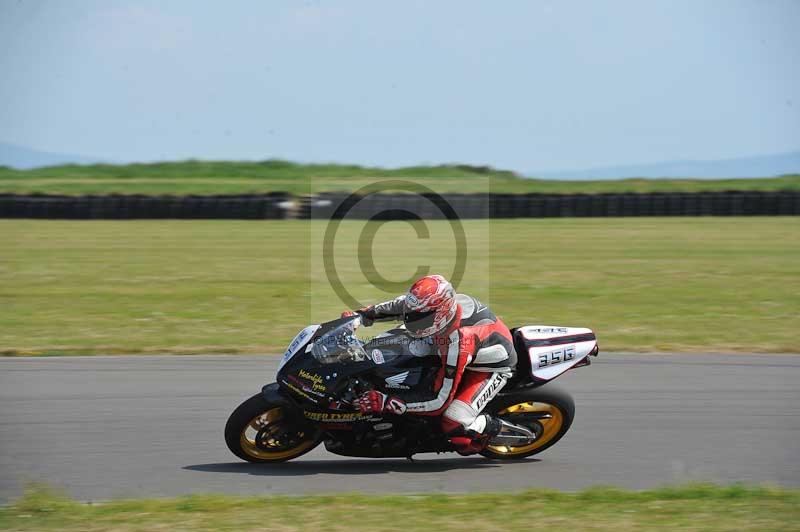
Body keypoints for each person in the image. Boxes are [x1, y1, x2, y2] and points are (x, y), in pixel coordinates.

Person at [342, 274, 517, 455]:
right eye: (411, 314)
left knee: (454, 423)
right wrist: (359, 316)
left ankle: (489, 427)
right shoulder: (427, 305)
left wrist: (388, 402)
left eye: (419, 317)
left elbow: (440, 400)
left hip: (489, 367)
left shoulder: (458, 344)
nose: (410, 319)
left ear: (440, 315)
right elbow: (399, 306)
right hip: (448, 341)